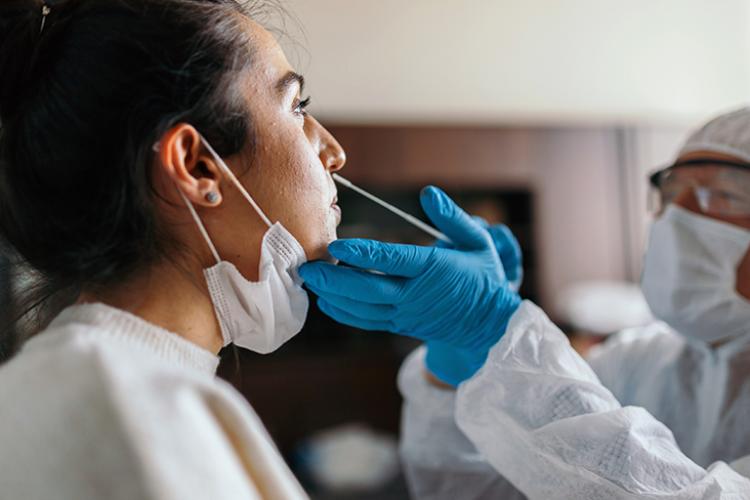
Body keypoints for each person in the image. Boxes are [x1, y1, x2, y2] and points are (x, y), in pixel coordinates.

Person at [300, 108, 750, 498]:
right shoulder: (639, 361)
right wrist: (465, 370)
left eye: (723, 196)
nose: (675, 217)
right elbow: (482, 492)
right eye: (670, 193)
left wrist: (493, 326)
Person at [0, 0, 347, 498]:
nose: (334, 153)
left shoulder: (84, 382)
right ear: (196, 166)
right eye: (297, 107)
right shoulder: (130, 411)